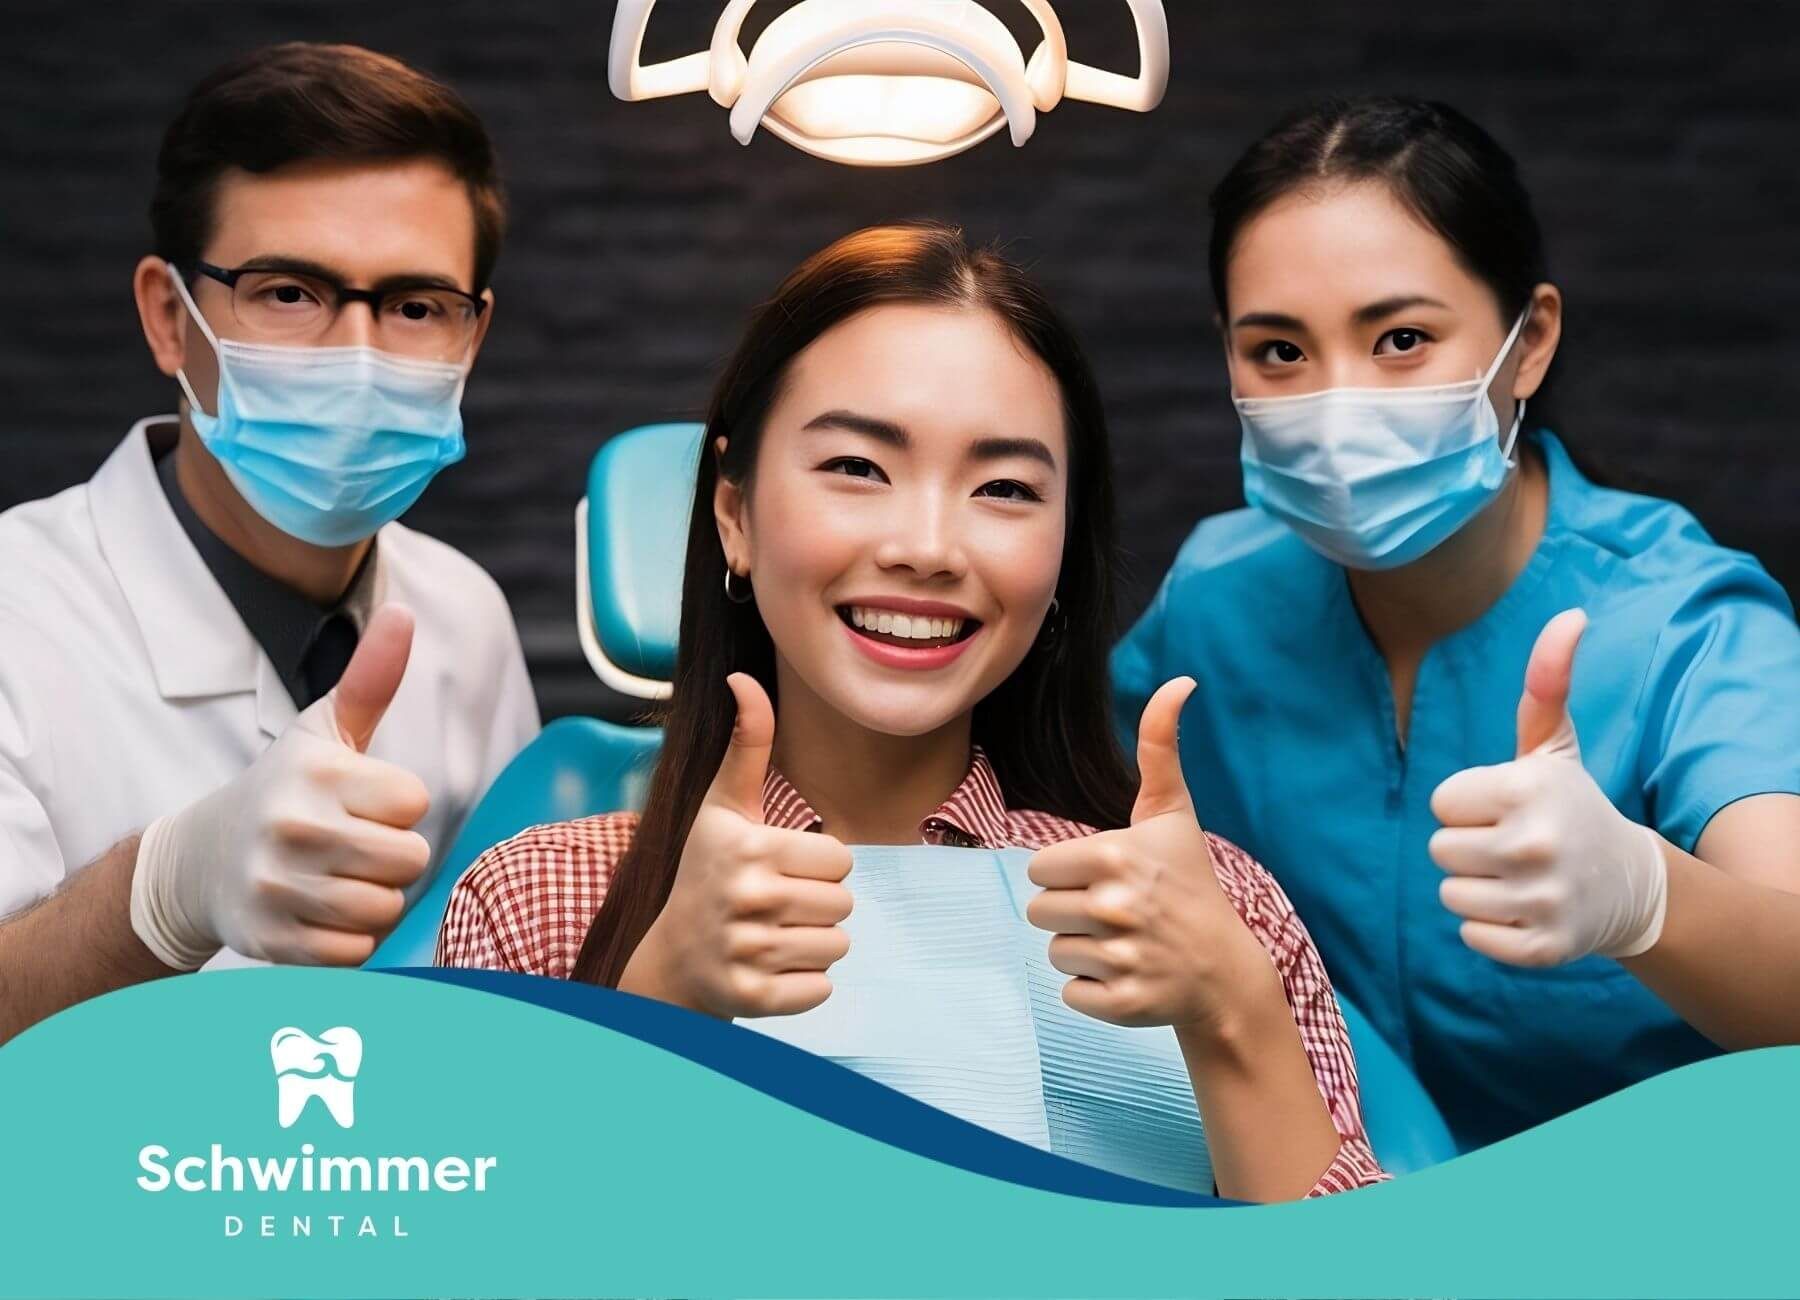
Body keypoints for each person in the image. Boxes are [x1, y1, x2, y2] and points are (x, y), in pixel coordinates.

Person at [438, 223, 1386, 1202]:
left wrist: (1234, 1012)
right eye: (857, 467)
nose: (927, 545)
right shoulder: (540, 899)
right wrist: (664, 1001)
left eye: (1006, 487)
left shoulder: (1214, 903)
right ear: (734, 512)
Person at [1114, 95, 1800, 1150]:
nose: (1339, 405)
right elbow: (1035, 804)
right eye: (1279, 353)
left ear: (1528, 343)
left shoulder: (1686, 624)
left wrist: (1644, 896)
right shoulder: (1215, 598)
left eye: (1400, 339)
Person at [0, 43, 539, 1041]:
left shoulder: (464, 616)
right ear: (172, 318)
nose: (358, 358)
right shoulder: (15, 613)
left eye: (417, 306)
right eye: (289, 292)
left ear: (473, 334)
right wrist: (160, 892)